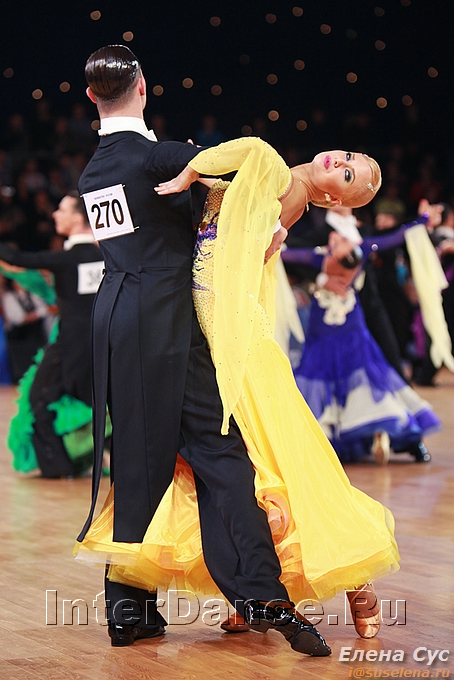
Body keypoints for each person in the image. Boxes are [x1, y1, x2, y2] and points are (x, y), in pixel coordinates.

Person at [76, 96, 398, 643]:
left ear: (333, 198)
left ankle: (337, 580)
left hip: (232, 342)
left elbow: (249, 151)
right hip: (214, 332)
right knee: (253, 465)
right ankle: (263, 590)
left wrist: (190, 174)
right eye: (346, 157)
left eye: (348, 176)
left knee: (265, 463)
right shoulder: (283, 196)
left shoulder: (280, 178)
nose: (338, 163)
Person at [283, 220, 444, 465]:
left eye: (341, 240)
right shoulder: (360, 250)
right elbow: (393, 237)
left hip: (325, 328)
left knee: (325, 375)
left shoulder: (321, 258)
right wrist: (419, 221)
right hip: (349, 325)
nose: (336, 237)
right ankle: (374, 429)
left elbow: (288, 255)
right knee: (365, 374)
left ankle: (334, 433)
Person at [0, 192, 104, 477]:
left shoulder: (65, 259)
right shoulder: (108, 256)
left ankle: (59, 466)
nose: (55, 215)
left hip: (68, 346)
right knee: (101, 405)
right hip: (104, 345)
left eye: (62, 209)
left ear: (78, 217)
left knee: (40, 400)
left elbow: (16, 257)